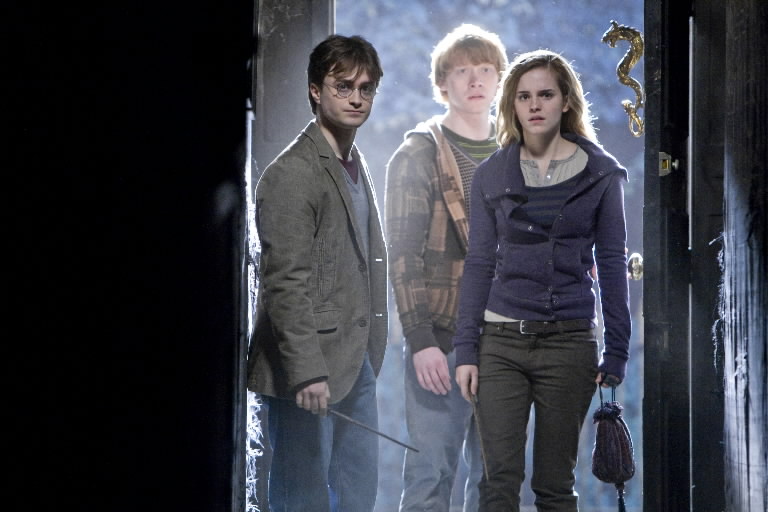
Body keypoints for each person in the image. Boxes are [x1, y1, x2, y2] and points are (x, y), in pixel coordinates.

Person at [453, 49, 631, 511]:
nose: (534, 105)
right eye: (523, 96)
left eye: (546, 95)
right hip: (500, 342)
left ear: (566, 101)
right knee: (497, 483)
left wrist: (617, 349)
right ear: (511, 105)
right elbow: (479, 262)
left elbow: (612, 262)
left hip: (569, 342)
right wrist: (466, 349)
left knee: (554, 486)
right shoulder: (491, 174)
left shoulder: (601, 173)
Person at [247, 34, 388, 512]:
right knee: (301, 498)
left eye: (366, 88)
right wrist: (306, 373)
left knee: (358, 494)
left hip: (354, 359)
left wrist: (367, 353)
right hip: (306, 368)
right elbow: (284, 284)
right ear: (314, 90)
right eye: (342, 86)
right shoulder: (292, 173)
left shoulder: (353, 162)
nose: (356, 98)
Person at [385, 24, 508, 512]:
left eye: (485, 70)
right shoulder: (418, 153)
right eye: (461, 71)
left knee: (499, 479)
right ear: (442, 84)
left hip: (507, 338)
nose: (475, 80)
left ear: (499, 80)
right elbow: (403, 257)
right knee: (430, 477)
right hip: (442, 337)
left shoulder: (519, 151)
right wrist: (421, 342)